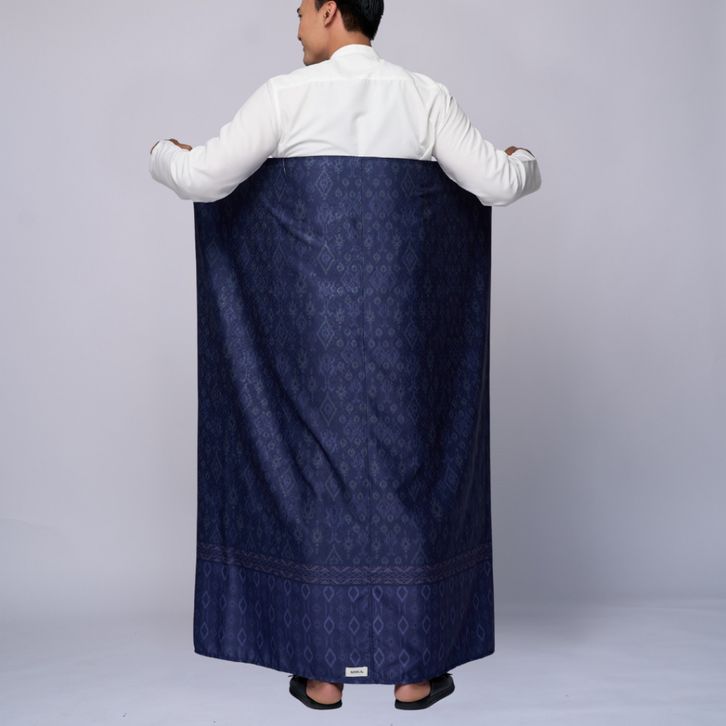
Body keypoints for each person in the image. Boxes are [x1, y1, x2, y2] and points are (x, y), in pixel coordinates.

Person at [149, 0, 541, 711]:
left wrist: (162, 153)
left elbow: (203, 177)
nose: (295, 21)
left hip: (306, 347)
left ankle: (324, 676)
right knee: (407, 478)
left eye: (302, 8)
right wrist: (524, 162)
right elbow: (498, 184)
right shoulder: (423, 98)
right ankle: (413, 675)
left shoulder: (285, 98)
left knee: (312, 478)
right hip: (405, 346)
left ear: (332, 9)